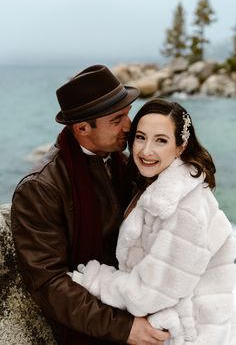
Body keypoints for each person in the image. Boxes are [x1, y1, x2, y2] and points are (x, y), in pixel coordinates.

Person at [11, 65, 170, 345]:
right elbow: (49, 284)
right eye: (117, 118)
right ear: (82, 128)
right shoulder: (39, 189)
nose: (129, 126)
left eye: (128, 113)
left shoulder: (123, 163)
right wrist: (124, 328)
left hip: (137, 302)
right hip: (94, 327)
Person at [69, 98, 236, 345]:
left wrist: (96, 279)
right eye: (140, 137)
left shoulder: (182, 210)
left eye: (161, 140)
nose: (146, 151)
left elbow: (148, 294)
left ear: (181, 146)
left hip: (189, 335)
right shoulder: (158, 187)